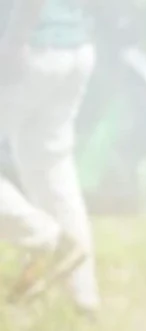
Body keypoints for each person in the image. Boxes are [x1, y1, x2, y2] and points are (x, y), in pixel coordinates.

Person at [0, 0, 98, 315]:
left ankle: (47, 239)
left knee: (50, 167)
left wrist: (13, 43)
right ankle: (84, 301)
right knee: (51, 168)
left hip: (32, 46)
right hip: (73, 46)